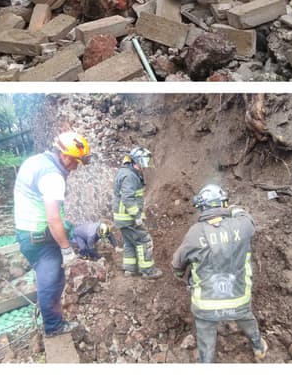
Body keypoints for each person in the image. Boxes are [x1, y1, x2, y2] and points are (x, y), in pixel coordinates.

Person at [172, 184, 267, 363]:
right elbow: (248, 218)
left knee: (205, 338)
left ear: (201, 208)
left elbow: (177, 264)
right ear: (223, 203)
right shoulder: (242, 225)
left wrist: (178, 274)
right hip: (238, 301)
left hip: (206, 306)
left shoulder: (194, 233)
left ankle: (207, 362)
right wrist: (232, 209)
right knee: (247, 320)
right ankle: (258, 348)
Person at [13, 131, 92, 337]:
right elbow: (53, 218)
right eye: (75, 162)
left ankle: (50, 318)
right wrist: (66, 250)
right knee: (52, 279)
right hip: (39, 237)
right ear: (65, 156)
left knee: (48, 277)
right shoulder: (53, 177)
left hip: (27, 232)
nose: (75, 168)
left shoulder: (36, 161)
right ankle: (53, 328)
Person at [112, 146, 162, 278]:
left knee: (129, 242)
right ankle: (148, 271)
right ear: (135, 161)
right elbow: (128, 198)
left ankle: (130, 269)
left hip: (122, 218)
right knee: (144, 240)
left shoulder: (125, 172)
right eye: (142, 163)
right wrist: (137, 215)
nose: (144, 166)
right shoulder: (129, 176)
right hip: (128, 218)